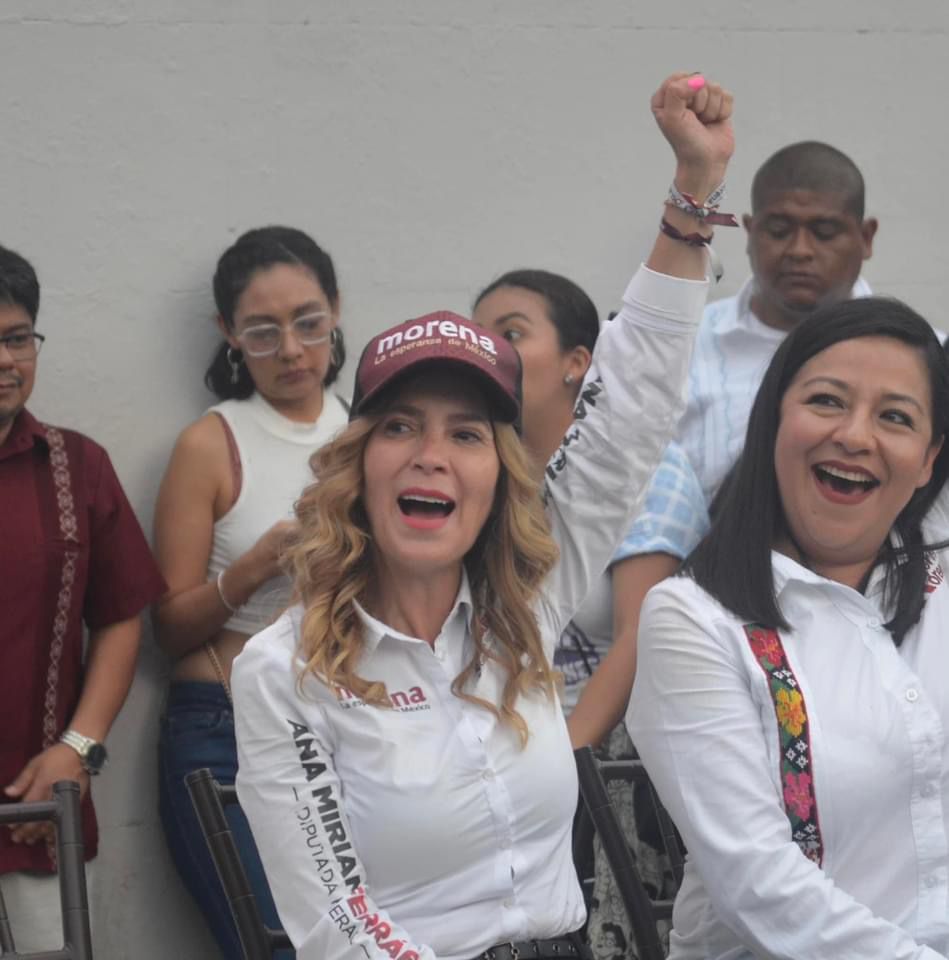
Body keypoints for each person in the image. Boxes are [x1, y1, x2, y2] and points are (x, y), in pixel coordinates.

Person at [231, 72, 734, 960]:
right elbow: (335, 922)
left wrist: (692, 196)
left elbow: (629, 411)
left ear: (498, 477)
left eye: (466, 433)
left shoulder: (526, 606)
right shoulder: (283, 671)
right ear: (357, 467)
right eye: (399, 426)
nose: (431, 453)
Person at [629, 296, 949, 958]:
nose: (855, 436)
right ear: (772, 417)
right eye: (827, 401)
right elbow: (759, 885)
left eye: (894, 416)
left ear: (927, 460)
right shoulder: (693, 619)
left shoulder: (940, 589)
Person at [472, 269, 707, 956]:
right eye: (480, 335)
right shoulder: (489, 479)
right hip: (517, 768)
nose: (490, 350)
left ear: (578, 361)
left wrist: (560, 755)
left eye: (510, 333)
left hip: (613, 775)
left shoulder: (652, 472)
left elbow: (642, 634)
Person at [153, 226, 349, 957]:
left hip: (346, 722)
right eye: (263, 333)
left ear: (336, 310)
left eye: (308, 323)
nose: (291, 350)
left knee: (363, 940)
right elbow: (168, 628)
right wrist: (257, 566)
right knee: (274, 946)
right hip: (223, 724)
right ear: (229, 334)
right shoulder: (211, 442)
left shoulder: (367, 432)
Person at [0, 244, 165, 951]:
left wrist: (77, 750)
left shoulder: (77, 466)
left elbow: (121, 617)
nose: (5, 360)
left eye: (17, 338)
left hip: (40, 815)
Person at [678, 140, 878, 502]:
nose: (800, 250)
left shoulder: (923, 359)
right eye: (779, 230)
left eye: (824, 232)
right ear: (750, 232)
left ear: (865, 238)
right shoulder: (683, 345)